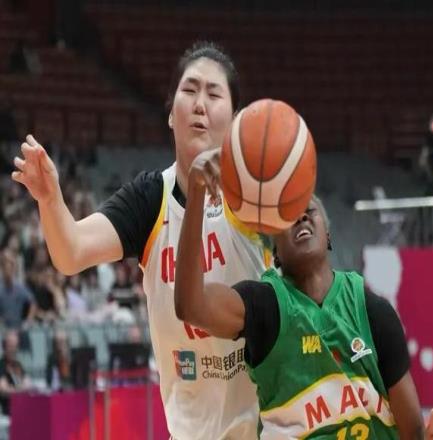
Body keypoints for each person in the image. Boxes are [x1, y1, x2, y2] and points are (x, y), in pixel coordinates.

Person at [11, 41, 270, 439]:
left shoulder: (257, 193)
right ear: (170, 114)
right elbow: (71, 252)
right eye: (189, 90)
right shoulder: (151, 198)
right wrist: (49, 200)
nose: (200, 104)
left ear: (235, 120)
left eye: (214, 94)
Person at [173, 153, 433, 439]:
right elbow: (191, 306)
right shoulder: (265, 305)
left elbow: (412, 432)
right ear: (276, 251)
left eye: (309, 211)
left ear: (329, 235)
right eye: (288, 217)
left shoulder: (372, 311)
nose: (301, 217)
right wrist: (196, 191)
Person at [0, 330, 31, 415]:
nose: (14, 350)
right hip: (8, 411)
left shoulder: (18, 365)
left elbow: (28, 384)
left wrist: (15, 389)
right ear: (4, 347)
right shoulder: (1, 365)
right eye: (11, 346)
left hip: (22, 408)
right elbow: (3, 390)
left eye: (16, 346)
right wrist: (21, 389)